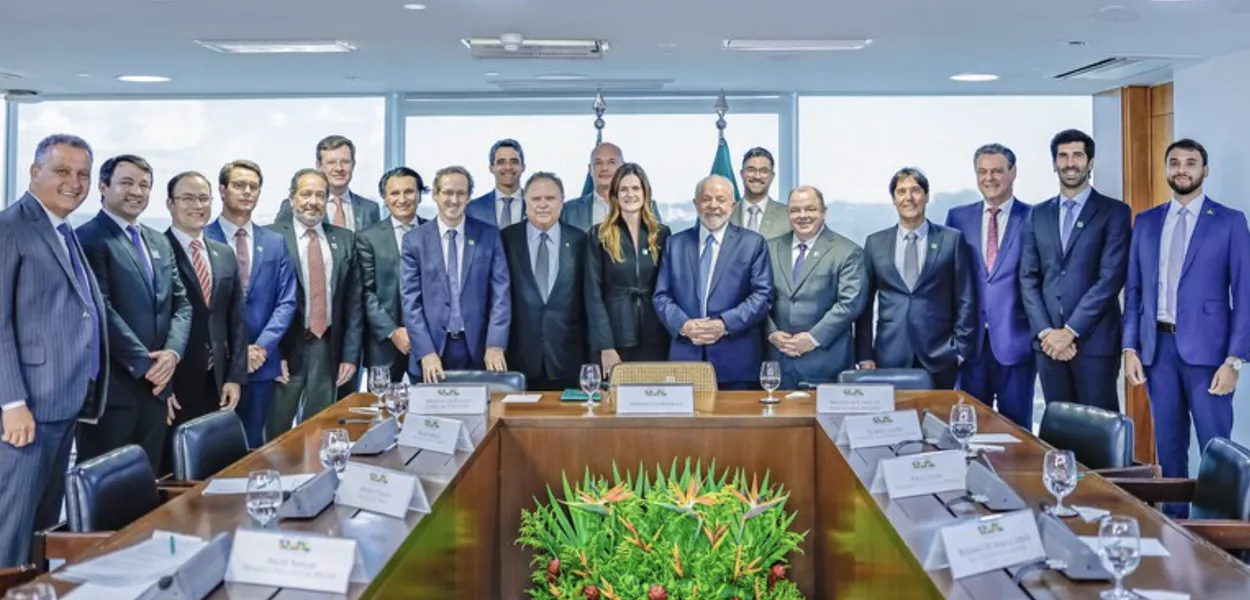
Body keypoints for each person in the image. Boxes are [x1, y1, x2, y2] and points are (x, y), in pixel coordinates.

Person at [0, 134, 108, 567]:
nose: (74, 183)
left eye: (83, 174)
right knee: (11, 529)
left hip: (63, 401)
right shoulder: (10, 228)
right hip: (26, 409)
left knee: (41, 527)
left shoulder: (62, 229)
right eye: (62, 171)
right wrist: (11, 403)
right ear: (34, 172)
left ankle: (33, 592)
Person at [1124, 138, 1250, 490]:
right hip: (1157, 351)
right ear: (1166, 169)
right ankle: (1174, 518)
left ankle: (1221, 521)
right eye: (1175, 162)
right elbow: (1134, 291)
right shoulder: (1146, 222)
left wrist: (1235, 360)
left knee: (1216, 449)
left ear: (1204, 170)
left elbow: (1245, 295)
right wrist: (1130, 348)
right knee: (1169, 448)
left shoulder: (1229, 221)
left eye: (1190, 163)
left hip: (1210, 356)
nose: (1182, 169)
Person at [75, 154, 191, 472]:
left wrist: (172, 355)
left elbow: (181, 304)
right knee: (103, 485)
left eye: (144, 185)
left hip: (156, 391)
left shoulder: (158, 241)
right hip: (112, 393)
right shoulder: (87, 239)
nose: (137, 192)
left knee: (146, 483)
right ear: (103, 186)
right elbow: (100, 309)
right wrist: (147, 365)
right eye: (126, 182)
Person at [1020, 129, 1130, 411]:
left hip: (1094, 343)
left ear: (1090, 163)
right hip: (1047, 346)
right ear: (1054, 163)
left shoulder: (1114, 212)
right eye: (1063, 156)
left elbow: (1110, 279)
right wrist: (1047, 333)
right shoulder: (1037, 214)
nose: (1070, 163)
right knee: (1058, 428)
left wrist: (1069, 331)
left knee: (1098, 427)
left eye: (1078, 155)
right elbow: (1028, 278)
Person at [855, 167, 977, 390]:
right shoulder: (875, 243)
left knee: (938, 413)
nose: (908, 198)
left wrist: (959, 349)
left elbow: (966, 298)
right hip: (889, 354)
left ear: (926, 196)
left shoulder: (951, 240)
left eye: (915, 190)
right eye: (901, 191)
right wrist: (864, 354)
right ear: (894, 199)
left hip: (941, 355)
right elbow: (864, 305)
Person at [205, 160, 297, 448]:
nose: (247, 192)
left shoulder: (275, 242)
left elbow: (286, 301)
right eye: (239, 185)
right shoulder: (202, 237)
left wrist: (261, 348)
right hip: (214, 365)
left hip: (261, 363)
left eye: (253, 187)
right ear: (222, 190)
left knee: (254, 446)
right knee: (210, 451)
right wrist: (236, 353)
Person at [944, 144, 1037, 428]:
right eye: (982, 172)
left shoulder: (1034, 217)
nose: (989, 178)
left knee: (1017, 431)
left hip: (1016, 343)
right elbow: (950, 281)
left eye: (996, 171)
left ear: (1013, 172)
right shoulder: (958, 218)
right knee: (967, 428)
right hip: (970, 345)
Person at [267, 169, 363, 438]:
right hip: (285, 350)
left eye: (320, 195)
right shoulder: (271, 237)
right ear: (292, 199)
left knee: (320, 431)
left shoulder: (345, 239)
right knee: (275, 434)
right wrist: (272, 354)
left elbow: (354, 304)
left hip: (327, 348)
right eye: (306, 194)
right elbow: (262, 303)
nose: (313, 201)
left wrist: (350, 356)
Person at [653, 175, 773, 390]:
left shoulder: (753, 243)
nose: (713, 205)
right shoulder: (675, 244)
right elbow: (661, 296)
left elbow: (762, 296)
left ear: (732, 205)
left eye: (721, 199)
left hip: (736, 363)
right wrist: (684, 325)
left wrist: (724, 324)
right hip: (686, 360)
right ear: (696, 203)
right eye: (706, 199)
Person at [401, 166, 511, 383]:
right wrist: (425, 351)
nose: (454, 200)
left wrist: (495, 344)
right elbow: (410, 301)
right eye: (448, 193)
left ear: (469, 197)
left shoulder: (488, 235)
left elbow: (501, 294)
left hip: (479, 349)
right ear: (435, 195)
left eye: (461, 193)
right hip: (432, 351)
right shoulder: (414, 240)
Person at [162, 172, 247, 440]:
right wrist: (162, 386)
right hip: (175, 382)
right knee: (174, 459)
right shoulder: (159, 250)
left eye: (203, 198)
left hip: (218, 381)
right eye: (187, 198)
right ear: (170, 204)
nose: (197, 205)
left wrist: (235, 377)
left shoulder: (224, 253)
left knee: (215, 456)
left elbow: (236, 320)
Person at [766, 185, 867, 389]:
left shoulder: (847, 251)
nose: (802, 215)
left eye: (810, 209)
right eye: (795, 210)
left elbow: (849, 304)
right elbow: (757, 297)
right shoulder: (768, 248)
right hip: (777, 362)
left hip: (825, 363)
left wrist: (813, 338)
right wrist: (771, 333)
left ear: (824, 212)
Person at [502, 172, 588, 389]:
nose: (543, 205)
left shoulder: (580, 241)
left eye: (550, 198)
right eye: (536, 198)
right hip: (518, 361)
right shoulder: (506, 240)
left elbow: (589, 300)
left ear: (562, 202)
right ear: (525, 202)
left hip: (568, 359)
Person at [585, 163, 672, 375]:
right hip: (615, 336)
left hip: (654, 335)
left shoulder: (661, 234)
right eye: (623, 189)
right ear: (615, 195)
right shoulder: (599, 235)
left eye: (635, 188)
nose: (630, 194)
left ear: (645, 193)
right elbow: (593, 295)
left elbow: (668, 287)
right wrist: (605, 346)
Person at [357, 167, 429, 382]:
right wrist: (392, 331)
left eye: (409, 192)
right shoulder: (367, 238)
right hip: (384, 344)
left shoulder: (434, 232)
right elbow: (365, 292)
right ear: (385, 198)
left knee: (432, 400)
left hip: (429, 340)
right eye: (394, 193)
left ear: (419, 195)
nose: (402, 199)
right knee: (382, 402)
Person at [276, 135, 381, 231]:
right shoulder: (292, 206)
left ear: (353, 165)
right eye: (331, 162)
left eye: (345, 162)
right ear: (319, 165)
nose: (339, 168)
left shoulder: (370, 209)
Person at [561, 142, 662, 231]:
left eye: (611, 162)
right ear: (590, 169)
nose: (604, 168)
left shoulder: (646, 206)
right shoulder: (568, 211)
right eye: (598, 163)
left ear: (623, 167)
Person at [730, 147, 791, 239]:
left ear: (772, 176)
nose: (757, 176)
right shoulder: (727, 212)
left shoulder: (787, 215)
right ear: (742, 174)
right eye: (751, 170)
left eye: (764, 171)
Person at [466, 138, 526, 228]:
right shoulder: (473, 209)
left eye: (514, 162)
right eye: (501, 162)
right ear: (491, 168)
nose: (508, 167)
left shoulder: (536, 205)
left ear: (523, 167)